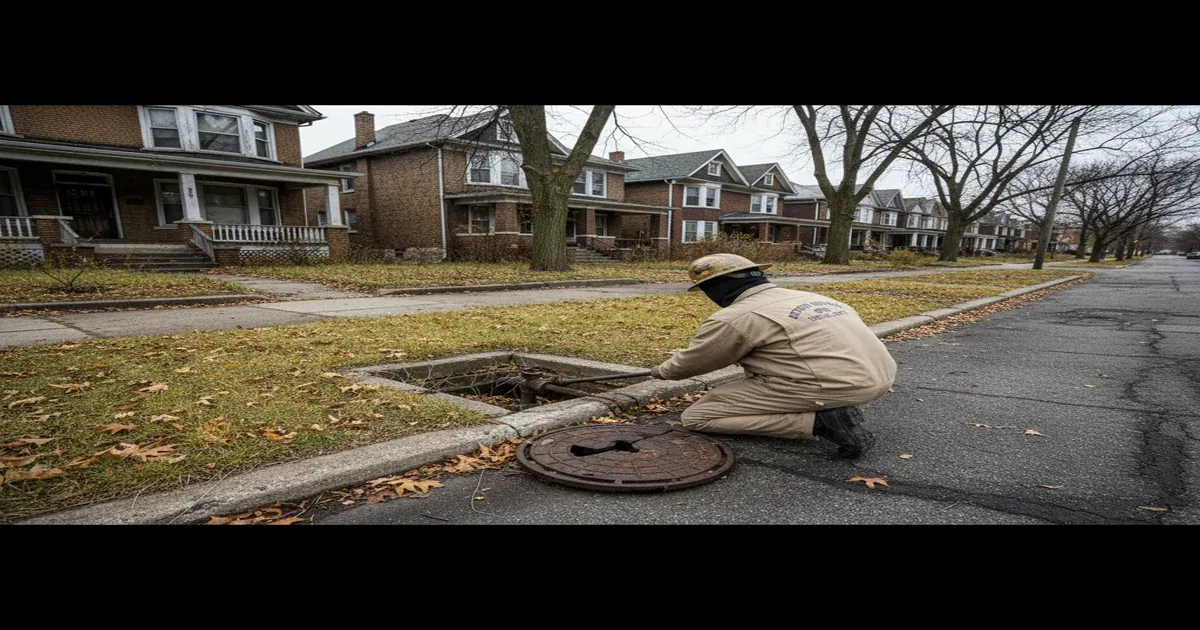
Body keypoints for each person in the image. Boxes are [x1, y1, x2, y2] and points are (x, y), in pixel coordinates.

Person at [649, 254, 897, 458]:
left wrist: (661, 371)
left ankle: (820, 421)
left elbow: (695, 362)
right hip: (882, 375)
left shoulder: (736, 317)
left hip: (837, 385)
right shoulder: (814, 298)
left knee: (697, 417)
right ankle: (823, 408)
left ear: (715, 288)